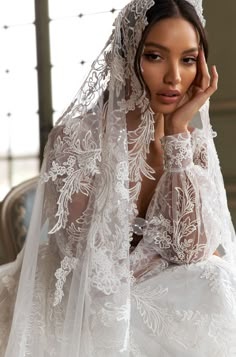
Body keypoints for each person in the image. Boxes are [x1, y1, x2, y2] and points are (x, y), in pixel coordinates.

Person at [1, 0, 236, 355]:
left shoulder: (187, 140)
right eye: (156, 56)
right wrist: (161, 253)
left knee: (215, 280)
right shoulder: (77, 140)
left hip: (155, 299)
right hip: (81, 307)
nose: (174, 77)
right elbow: (92, 270)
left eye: (188, 59)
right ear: (126, 58)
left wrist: (175, 135)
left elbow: (188, 250)